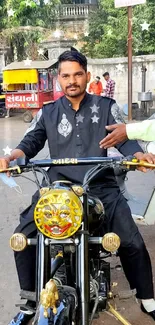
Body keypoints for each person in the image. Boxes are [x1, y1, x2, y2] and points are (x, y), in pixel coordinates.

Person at [1, 50, 155, 324]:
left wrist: (136, 155)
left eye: (77, 74)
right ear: (58, 79)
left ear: (86, 75)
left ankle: (147, 299)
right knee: (22, 239)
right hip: (57, 192)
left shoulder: (106, 106)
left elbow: (122, 138)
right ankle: (29, 300)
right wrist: (13, 156)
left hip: (101, 187)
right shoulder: (47, 112)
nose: (71, 80)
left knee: (132, 242)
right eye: (65, 75)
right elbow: (30, 142)